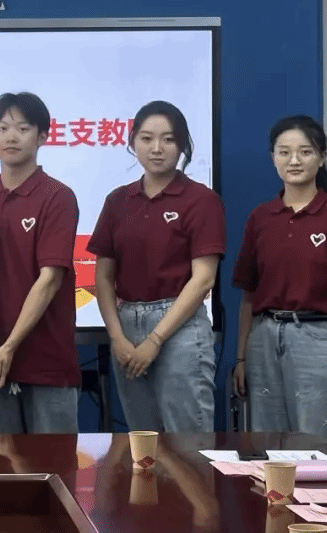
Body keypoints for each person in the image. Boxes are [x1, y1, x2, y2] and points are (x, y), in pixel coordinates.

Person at [88, 100, 224, 433]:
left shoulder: (201, 200)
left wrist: (155, 339)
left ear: (183, 145)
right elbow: (103, 277)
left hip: (180, 327)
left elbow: (204, 279)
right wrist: (116, 337)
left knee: (188, 442)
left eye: (168, 139)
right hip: (126, 328)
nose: (157, 148)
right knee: (143, 442)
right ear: (132, 142)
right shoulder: (118, 201)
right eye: (147, 138)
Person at [232, 115, 327, 446]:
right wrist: (241, 358)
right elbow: (249, 296)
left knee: (320, 445)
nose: (294, 161)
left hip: (319, 339)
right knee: (266, 442)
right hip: (264, 339)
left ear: (321, 157)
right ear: (273, 158)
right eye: (284, 152)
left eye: (305, 152)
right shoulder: (260, 218)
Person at [0, 92, 81, 434]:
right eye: (2, 128)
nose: (11, 137)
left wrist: (10, 345)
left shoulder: (57, 197)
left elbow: (50, 279)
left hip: (46, 361)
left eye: (23, 128)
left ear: (42, 136)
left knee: (55, 462)